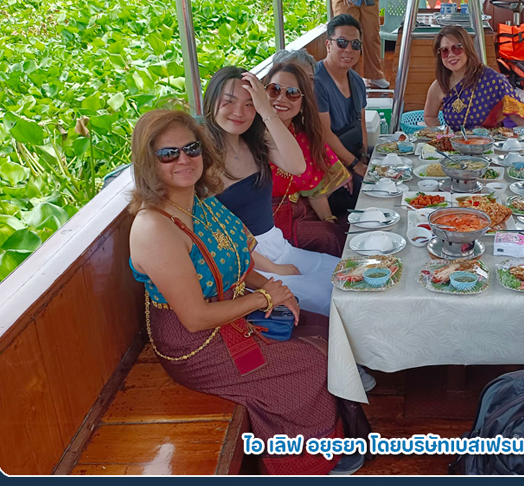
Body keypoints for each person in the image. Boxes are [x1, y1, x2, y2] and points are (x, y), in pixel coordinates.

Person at [127, 109, 364, 475]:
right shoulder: (154, 227)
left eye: (191, 148)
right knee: (309, 363)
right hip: (196, 344)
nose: (184, 160)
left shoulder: (200, 203)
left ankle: (331, 437)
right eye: (168, 154)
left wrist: (271, 286)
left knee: (323, 327)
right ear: (148, 162)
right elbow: (195, 318)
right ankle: (307, 459)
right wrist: (265, 298)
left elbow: (237, 263)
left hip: (233, 310)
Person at [202, 65, 341, 317]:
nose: (239, 112)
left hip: (280, 246)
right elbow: (221, 236)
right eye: (229, 102)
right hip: (250, 264)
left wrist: (266, 111)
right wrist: (274, 268)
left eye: (249, 104)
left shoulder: (254, 141)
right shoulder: (202, 161)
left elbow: (297, 166)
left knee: (348, 276)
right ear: (211, 102)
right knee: (332, 298)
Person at [262, 61, 352, 258]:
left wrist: (329, 220)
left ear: (303, 104)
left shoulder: (301, 136)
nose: (281, 98)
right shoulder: (254, 134)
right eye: (274, 89)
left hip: (302, 210)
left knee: (349, 228)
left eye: (292, 93)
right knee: (333, 238)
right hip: (272, 220)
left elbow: (314, 190)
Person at [423, 25, 524, 148]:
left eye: (457, 48)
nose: (451, 54)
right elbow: (430, 116)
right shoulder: (439, 86)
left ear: (468, 48)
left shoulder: (492, 80)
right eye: (444, 51)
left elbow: (515, 111)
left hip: (490, 148)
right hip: (456, 149)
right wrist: (445, 137)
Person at [314, 14, 372, 215]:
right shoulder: (317, 82)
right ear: (328, 45)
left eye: (355, 44)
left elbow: (361, 122)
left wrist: (364, 156)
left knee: (388, 164)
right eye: (342, 42)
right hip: (326, 161)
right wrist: (355, 165)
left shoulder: (356, 81)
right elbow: (324, 134)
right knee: (366, 188)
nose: (349, 49)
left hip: (351, 150)